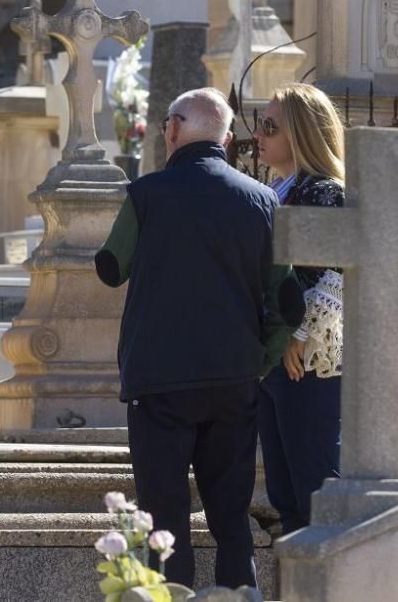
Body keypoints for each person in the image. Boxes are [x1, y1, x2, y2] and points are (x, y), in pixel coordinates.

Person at [94, 87, 302, 589]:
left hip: (160, 382)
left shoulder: (147, 195)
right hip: (234, 380)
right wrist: (262, 358)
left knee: (165, 524)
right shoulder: (261, 201)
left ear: (171, 129)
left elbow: (111, 268)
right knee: (231, 520)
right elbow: (289, 300)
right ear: (228, 139)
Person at [254, 83, 345, 536]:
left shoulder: (324, 191)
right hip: (275, 358)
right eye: (258, 123)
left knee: (315, 491)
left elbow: (336, 272)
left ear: (301, 133)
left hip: (306, 361)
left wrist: (300, 333)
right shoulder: (274, 190)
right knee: (285, 496)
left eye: (270, 126)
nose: (259, 135)